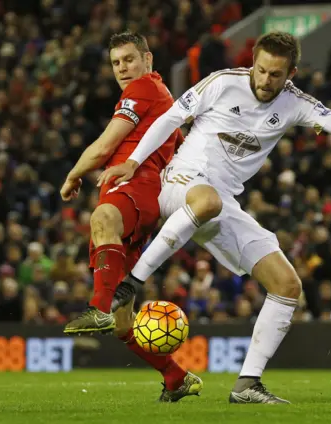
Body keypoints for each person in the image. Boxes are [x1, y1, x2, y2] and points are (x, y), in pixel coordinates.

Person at [97, 31, 331, 404]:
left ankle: (247, 384)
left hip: (222, 202)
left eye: (275, 75)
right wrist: (134, 161)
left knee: (287, 285)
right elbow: (169, 119)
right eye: (260, 71)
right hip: (181, 183)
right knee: (207, 200)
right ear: (253, 63)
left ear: (290, 72)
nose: (264, 81)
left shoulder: (295, 103)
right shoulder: (221, 84)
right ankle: (131, 283)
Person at [59, 31, 203, 402]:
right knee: (126, 324)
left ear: (148, 60)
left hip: (135, 186)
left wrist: (73, 174)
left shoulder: (144, 88)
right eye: (116, 62)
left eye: (129, 59)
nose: (123, 68)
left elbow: (106, 144)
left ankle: (96, 308)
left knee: (102, 219)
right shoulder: (161, 97)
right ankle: (175, 376)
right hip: (139, 190)